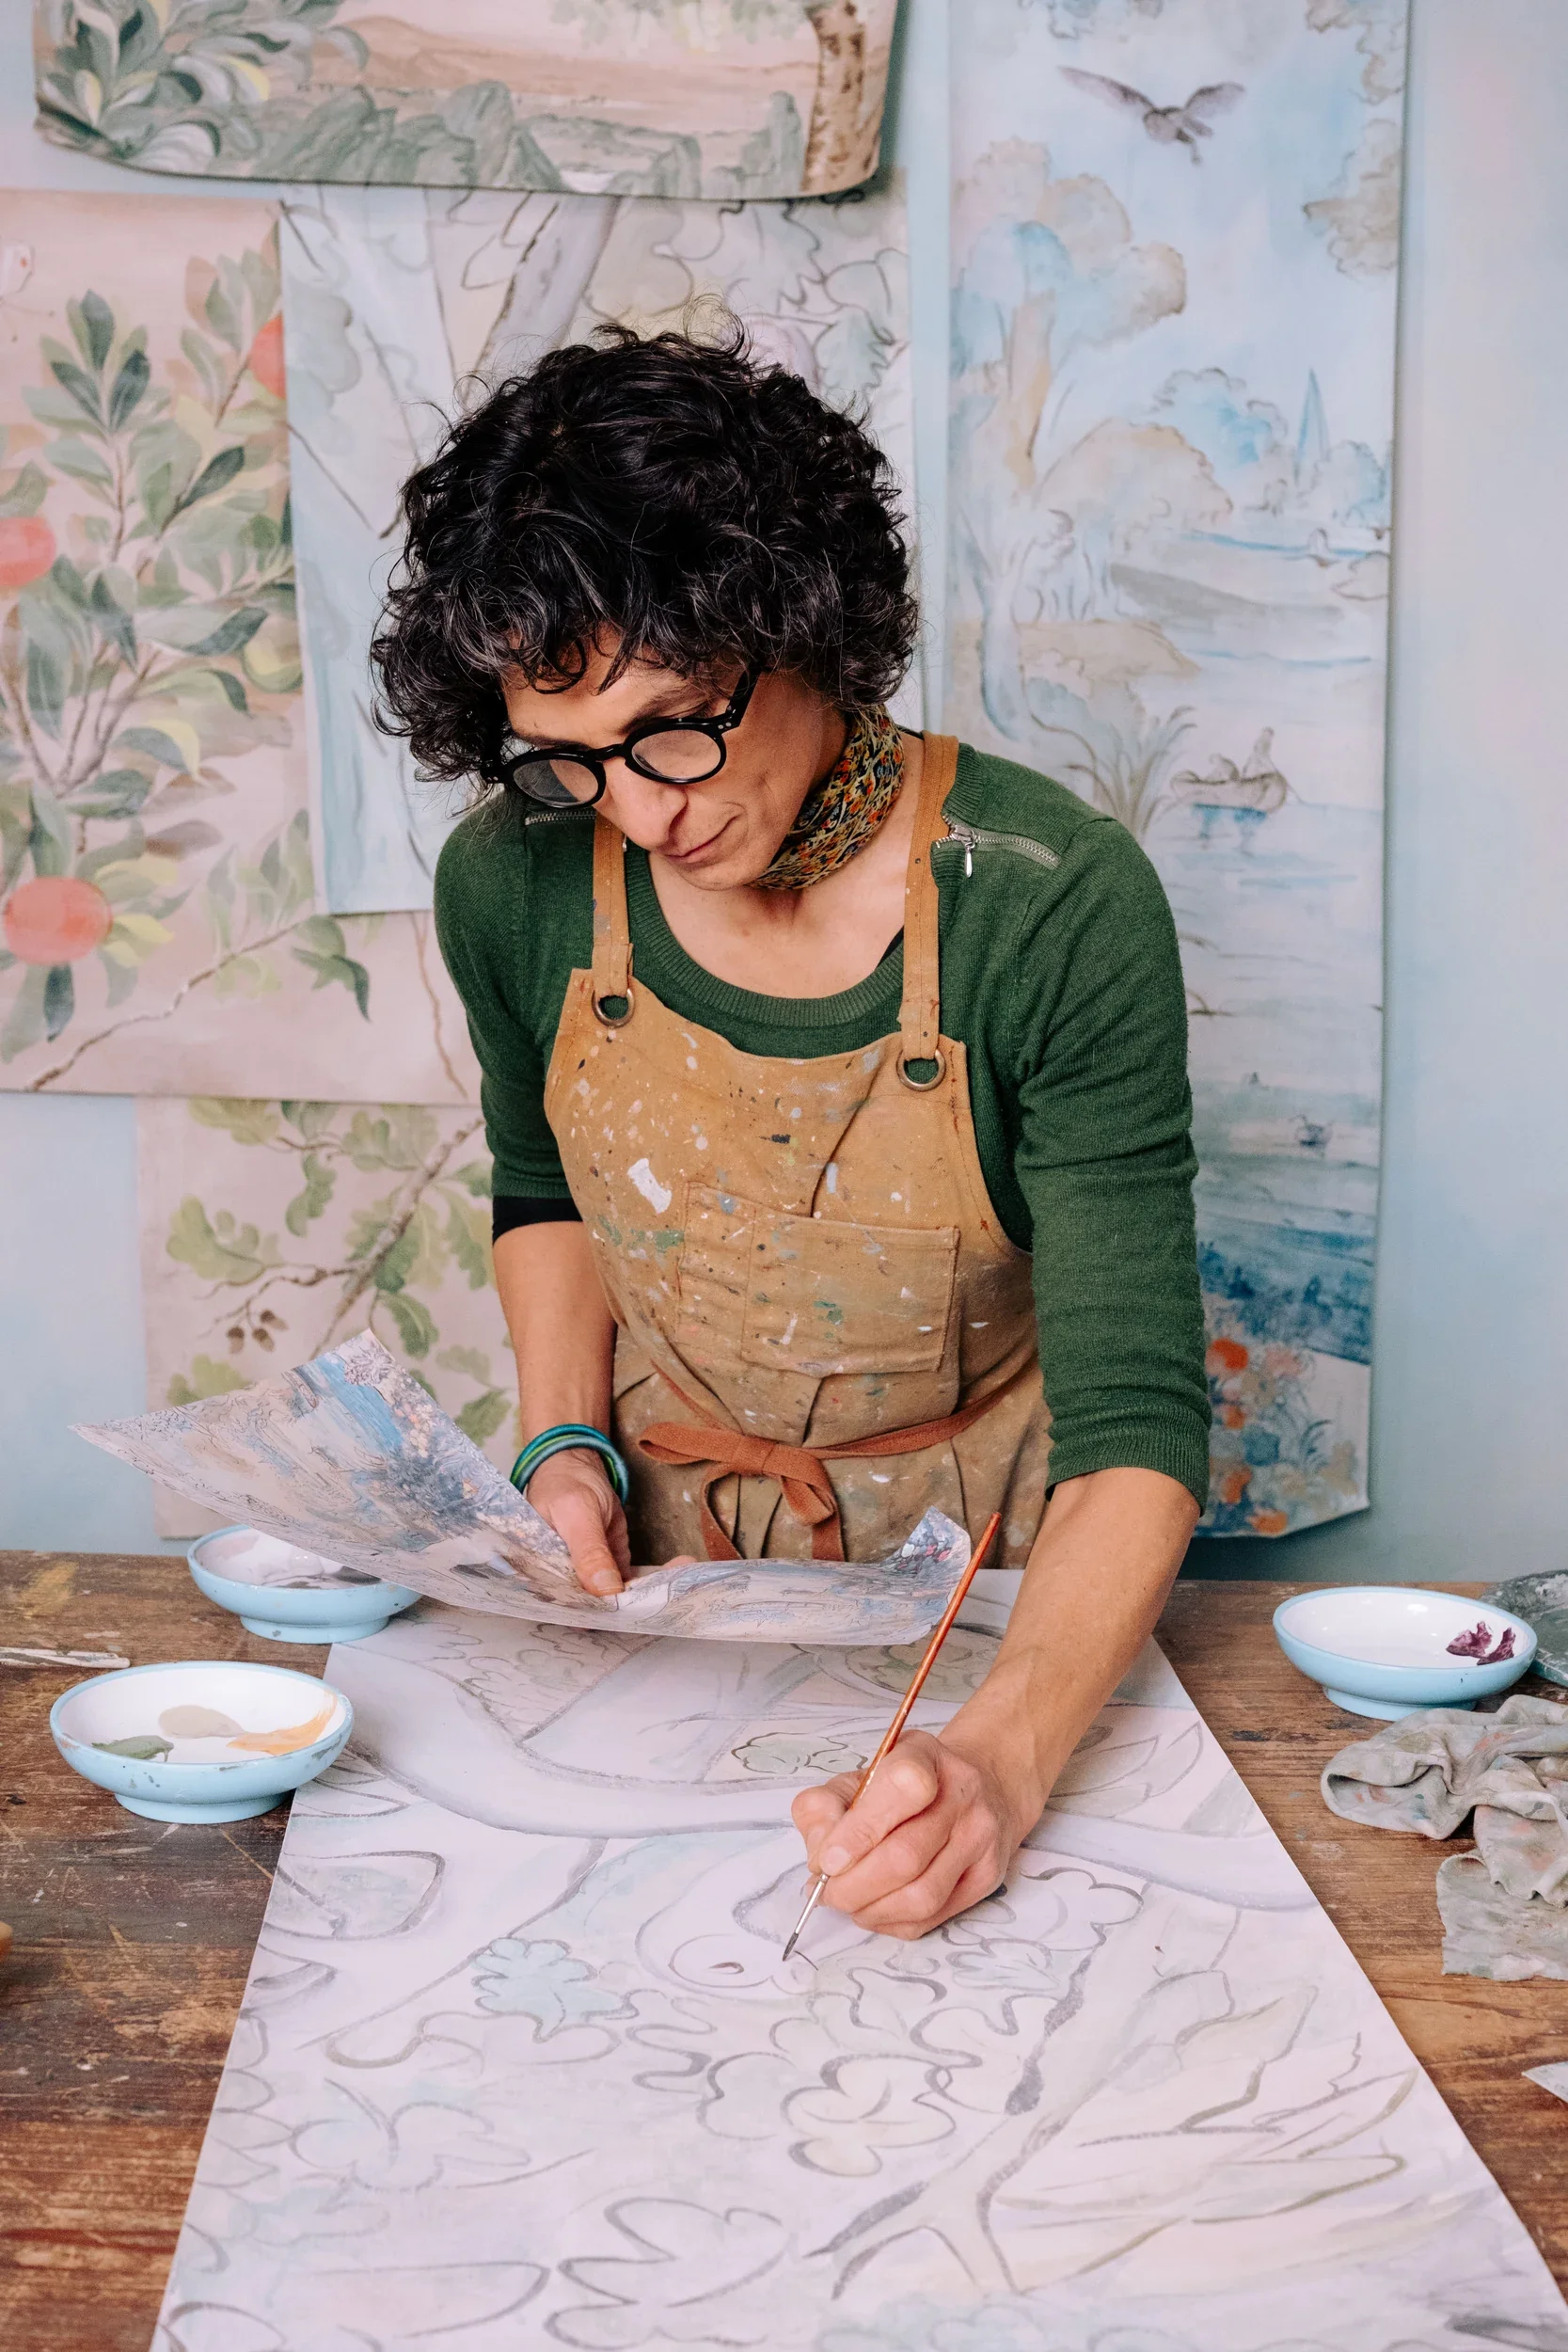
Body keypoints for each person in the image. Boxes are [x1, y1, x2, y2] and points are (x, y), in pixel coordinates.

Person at [372, 325, 1209, 1942]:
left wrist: (1004, 1769)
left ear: (808, 629)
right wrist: (561, 1448)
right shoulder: (512, 878)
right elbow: (544, 1181)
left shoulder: (1052, 904)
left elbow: (1138, 1426)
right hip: (667, 1611)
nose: (641, 810)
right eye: (566, 760)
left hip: (1006, 1610)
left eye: (676, 724)